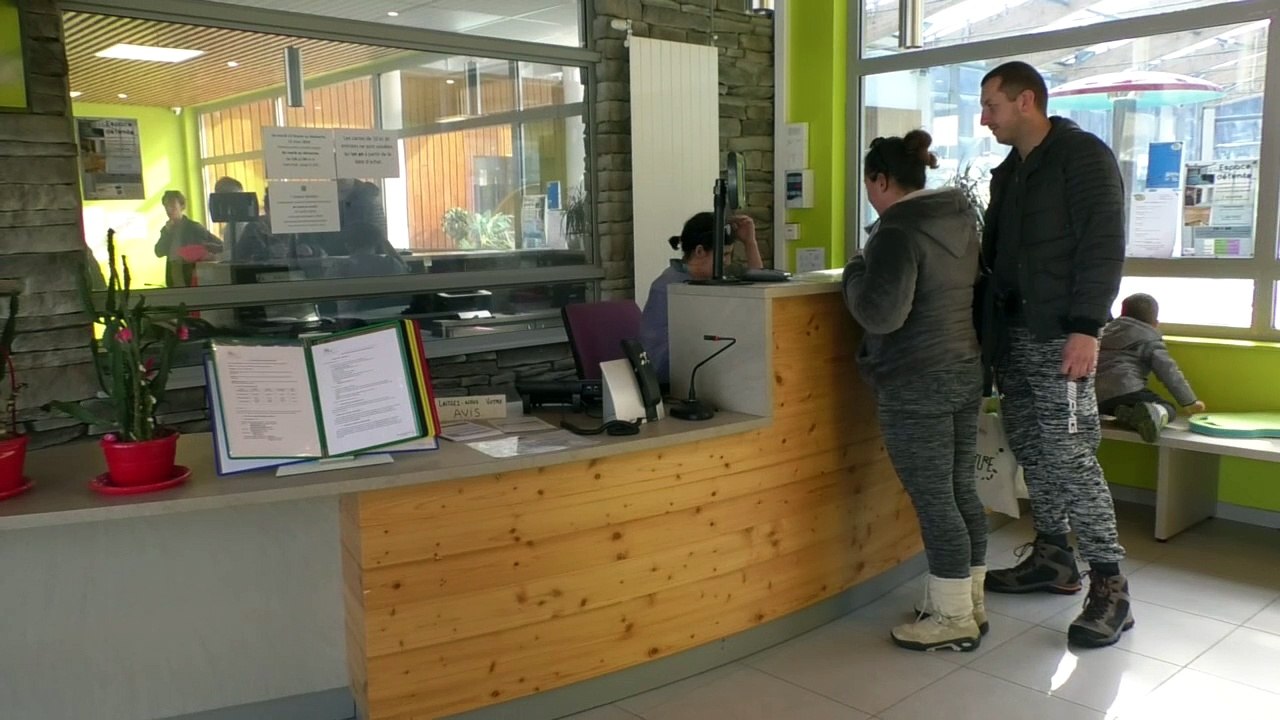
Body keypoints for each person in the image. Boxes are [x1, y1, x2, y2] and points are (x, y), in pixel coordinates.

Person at [978, 61, 1133, 648]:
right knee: (1033, 449)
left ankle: (1111, 586)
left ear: (1026, 101)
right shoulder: (1008, 173)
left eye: (991, 104)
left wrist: (1087, 328)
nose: (984, 117)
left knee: (1071, 455)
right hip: (1014, 337)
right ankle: (1053, 556)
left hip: (1062, 335)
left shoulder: (1082, 157)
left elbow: (1103, 245)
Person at [843, 131, 987, 652]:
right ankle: (969, 602)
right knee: (959, 489)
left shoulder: (897, 232)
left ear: (881, 180)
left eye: (868, 184)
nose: (869, 194)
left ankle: (952, 619)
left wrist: (855, 271)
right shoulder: (958, 217)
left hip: (914, 377)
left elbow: (881, 313)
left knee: (934, 500)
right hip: (963, 367)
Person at [638, 212, 763, 385]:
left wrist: (750, 242)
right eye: (724, 255)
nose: (727, 262)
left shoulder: (702, 282)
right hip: (671, 378)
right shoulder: (671, 287)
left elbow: (759, 289)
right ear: (699, 251)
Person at [1097, 293, 1205, 443]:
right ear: (1155, 323)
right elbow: (1168, 372)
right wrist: (1189, 401)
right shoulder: (1150, 338)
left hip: (1096, 399)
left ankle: (1128, 415)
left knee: (1119, 407)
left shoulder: (1104, 331)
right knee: (1168, 408)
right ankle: (1153, 413)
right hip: (1127, 390)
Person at [153, 190, 223, 287]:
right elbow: (159, 252)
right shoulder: (167, 230)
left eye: (172, 205)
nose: (169, 210)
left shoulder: (194, 227)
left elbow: (219, 245)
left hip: (192, 275)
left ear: (182, 206)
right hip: (173, 275)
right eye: (166, 206)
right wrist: (167, 233)